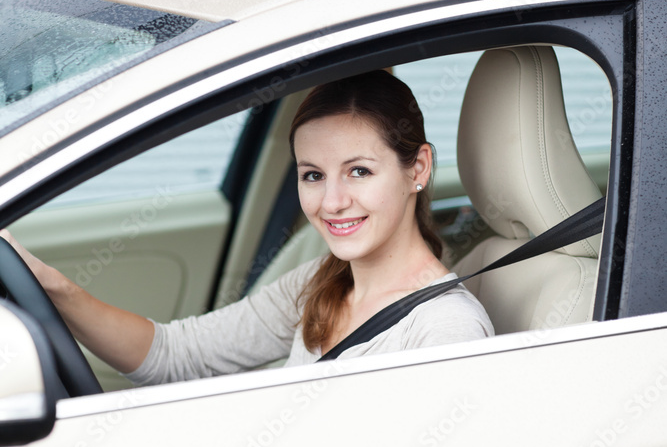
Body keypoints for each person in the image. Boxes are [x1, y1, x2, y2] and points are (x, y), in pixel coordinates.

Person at [2, 70, 494, 385]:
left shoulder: (444, 330)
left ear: (419, 169)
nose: (333, 202)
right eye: (312, 176)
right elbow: (178, 355)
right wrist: (53, 288)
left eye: (359, 171)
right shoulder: (320, 283)